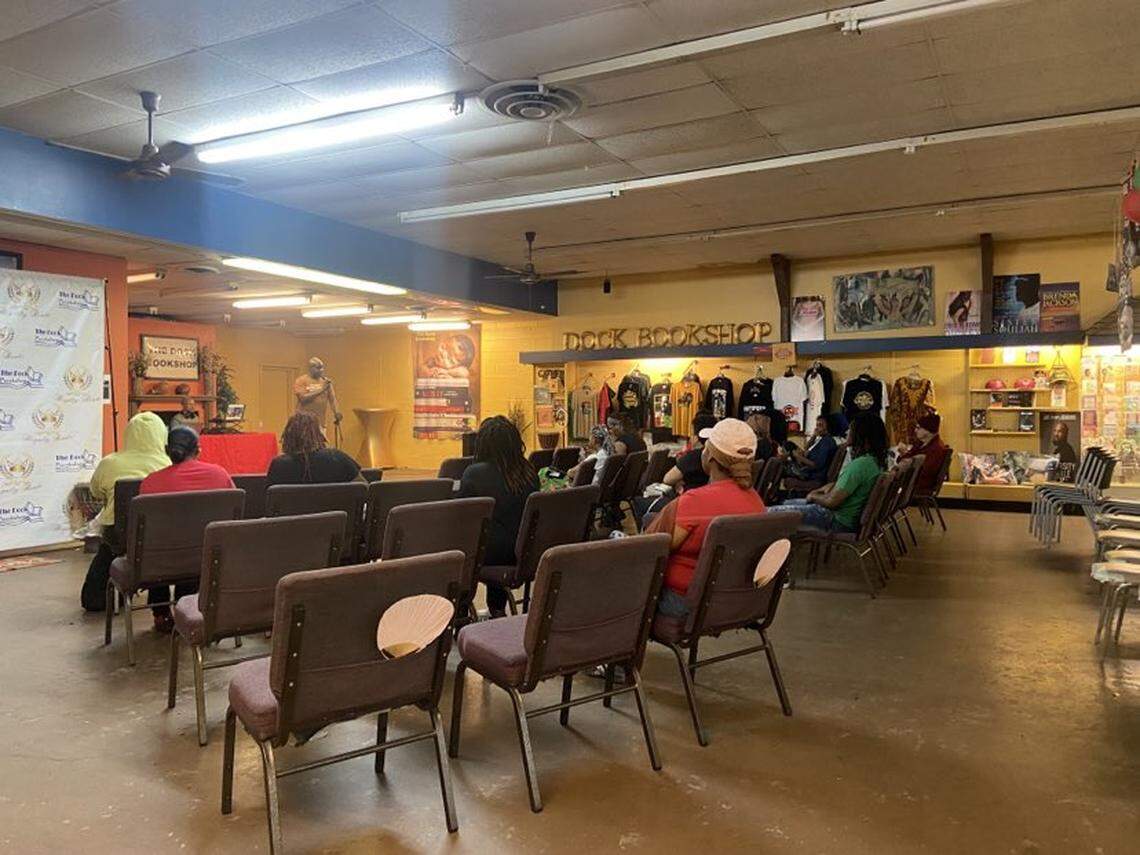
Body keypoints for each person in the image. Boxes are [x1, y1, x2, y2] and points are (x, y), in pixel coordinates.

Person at [645, 418, 766, 618]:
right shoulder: (756, 502)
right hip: (734, 600)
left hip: (686, 602)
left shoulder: (694, 501)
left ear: (710, 457)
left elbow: (650, 550)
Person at [139, 427, 235, 632]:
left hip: (161, 563)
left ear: (167, 450)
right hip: (208, 558)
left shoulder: (150, 483)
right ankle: (190, 608)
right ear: (198, 450)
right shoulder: (219, 475)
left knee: (162, 542)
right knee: (197, 541)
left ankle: (161, 612)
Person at [80, 412, 171, 612]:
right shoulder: (167, 465)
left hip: (117, 535)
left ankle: (102, 594)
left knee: (105, 554)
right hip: (156, 537)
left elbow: (96, 492)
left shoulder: (109, 463)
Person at [459, 416, 540, 618]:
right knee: (497, 532)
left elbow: (461, 515)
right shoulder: (529, 472)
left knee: (467, 544)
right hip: (524, 552)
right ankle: (496, 608)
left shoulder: (474, 474)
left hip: (490, 554)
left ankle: (461, 613)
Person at [767, 413, 888, 533]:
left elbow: (831, 502)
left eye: (851, 429)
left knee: (768, 514)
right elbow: (843, 488)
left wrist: (813, 496)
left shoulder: (860, 465)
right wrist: (825, 490)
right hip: (838, 516)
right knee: (783, 504)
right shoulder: (874, 462)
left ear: (861, 435)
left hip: (834, 520)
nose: (847, 432)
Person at [266, 412, 362, 485]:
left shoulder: (279, 465)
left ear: (288, 436)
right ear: (318, 434)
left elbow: (268, 499)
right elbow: (362, 489)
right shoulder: (337, 458)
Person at [898, 412, 949, 493]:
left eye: (918, 428)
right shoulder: (920, 444)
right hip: (910, 481)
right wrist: (903, 454)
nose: (915, 430)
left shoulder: (937, 448)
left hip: (918, 485)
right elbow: (903, 461)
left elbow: (926, 471)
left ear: (928, 430)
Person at [783, 414, 838, 489]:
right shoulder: (823, 439)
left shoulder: (827, 442)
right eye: (817, 425)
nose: (817, 428)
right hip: (807, 468)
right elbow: (806, 448)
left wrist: (798, 456)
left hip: (812, 475)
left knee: (780, 466)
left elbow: (816, 465)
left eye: (820, 425)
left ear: (828, 427)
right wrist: (814, 436)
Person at [293, 356, 341, 434]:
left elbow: (332, 400)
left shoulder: (325, 382)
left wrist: (336, 412)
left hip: (320, 422)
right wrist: (321, 390)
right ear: (311, 368)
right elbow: (303, 398)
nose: (321, 370)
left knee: (320, 441)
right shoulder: (301, 380)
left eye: (322, 367)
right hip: (304, 422)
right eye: (318, 368)